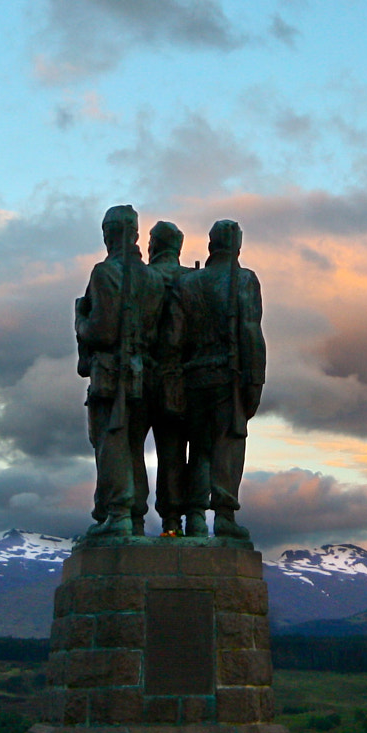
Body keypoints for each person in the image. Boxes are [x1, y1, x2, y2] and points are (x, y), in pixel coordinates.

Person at [74, 204, 169, 539]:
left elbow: (101, 330)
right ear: (136, 235)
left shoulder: (104, 272)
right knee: (133, 449)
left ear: (109, 234)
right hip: (146, 376)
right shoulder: (155, 279)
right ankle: (136, 519)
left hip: (112, 375)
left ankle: (118, 514)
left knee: (111, 444)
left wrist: (80, 321)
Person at [174, 219, 264, 540]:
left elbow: (176, 336)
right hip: (229, 377)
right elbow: (251, 332)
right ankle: (224, 516)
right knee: (227, 445)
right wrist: (255, 381)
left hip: (193, 377)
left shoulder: (189, 284)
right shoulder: (244, 280)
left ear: (212, 244)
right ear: (237, 245)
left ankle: (195, 517)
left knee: (198, 449)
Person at [142, 220, 193, 536]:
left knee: (129, 447)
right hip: (180, 380)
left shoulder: (141, 277)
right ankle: (173, 521)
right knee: (174, 453)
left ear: (153, 246)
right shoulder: (193, 280)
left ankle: (129, 519)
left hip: (141, 373)